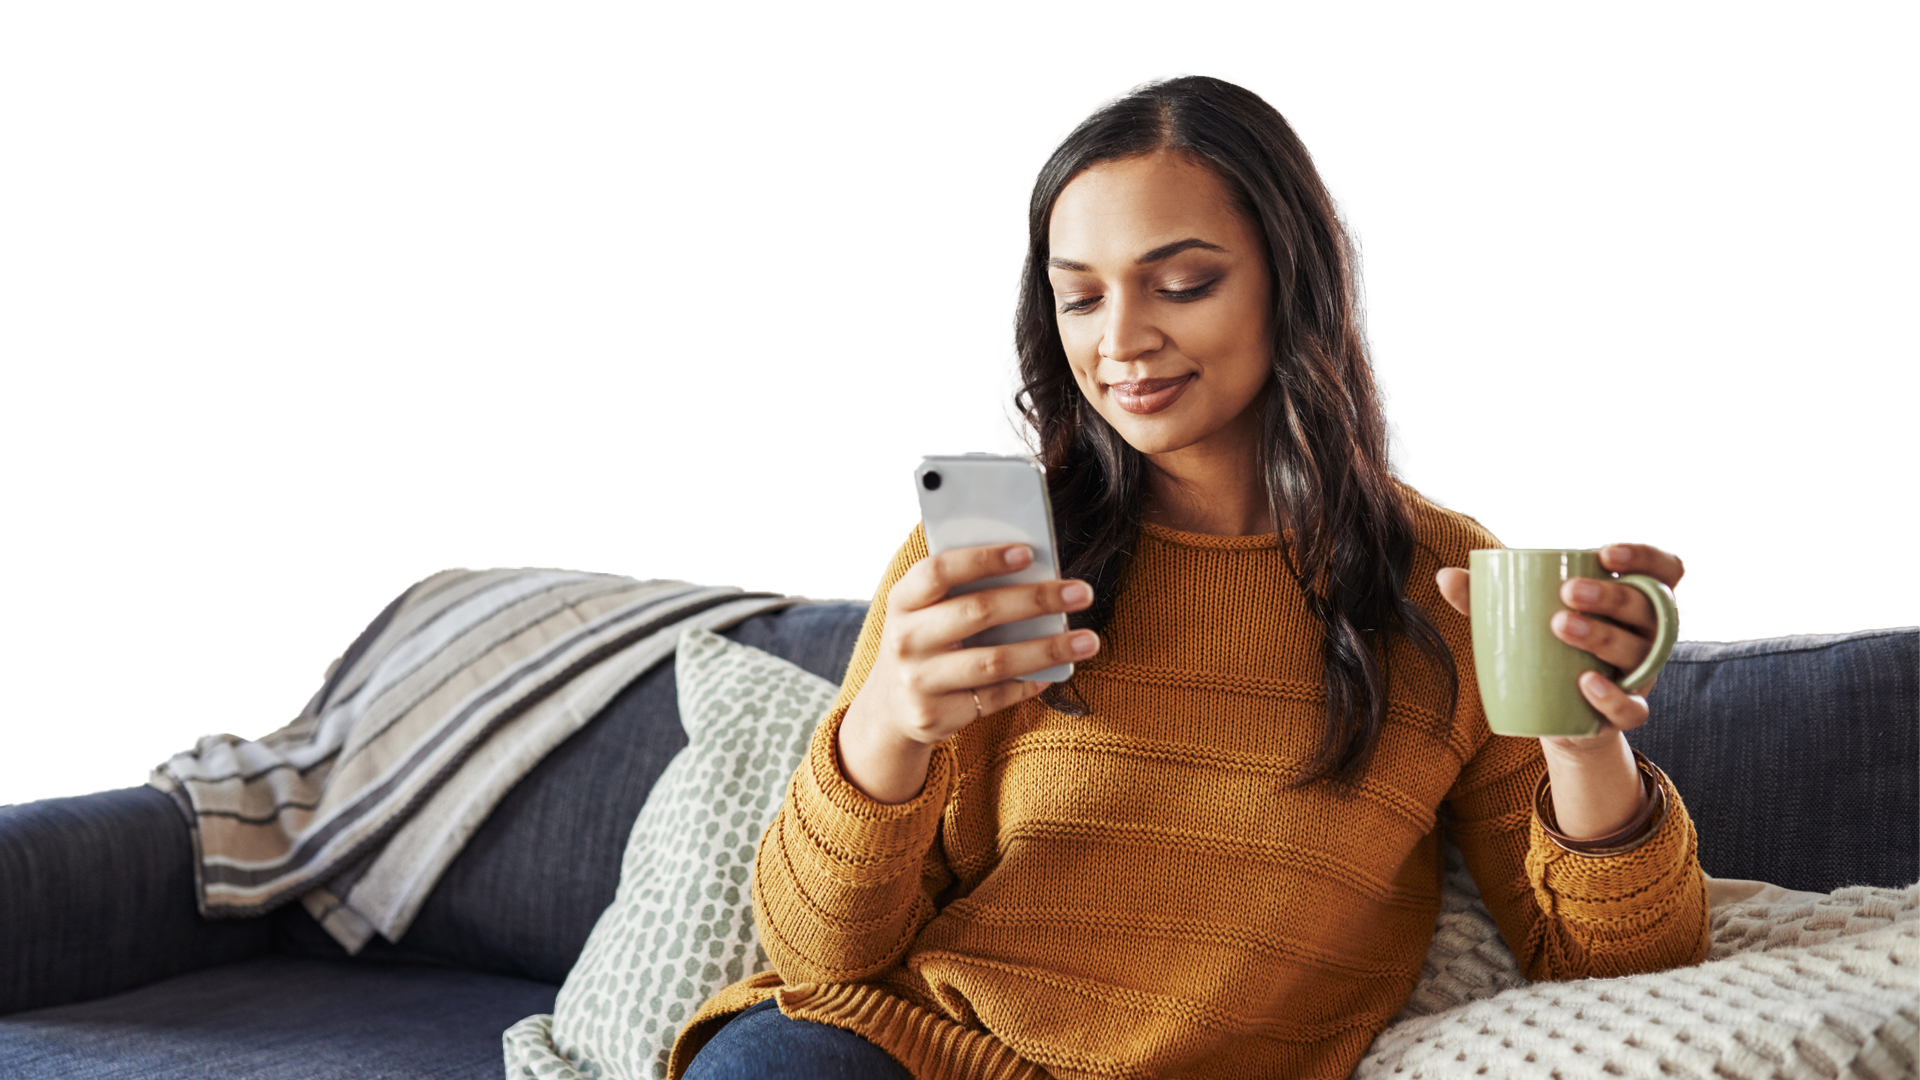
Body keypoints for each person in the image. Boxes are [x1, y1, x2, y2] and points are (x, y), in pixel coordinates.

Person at [673, 69, 1706, 1080]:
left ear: (1289, 279)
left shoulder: (1443, 582)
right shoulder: (984, 557)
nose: (1120, 341)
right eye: (1079, 300)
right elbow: (821, 961)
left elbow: (1618, 972)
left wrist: (1584, 747)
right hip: (897, 1049)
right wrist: (883, 735)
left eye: (1183, 284)